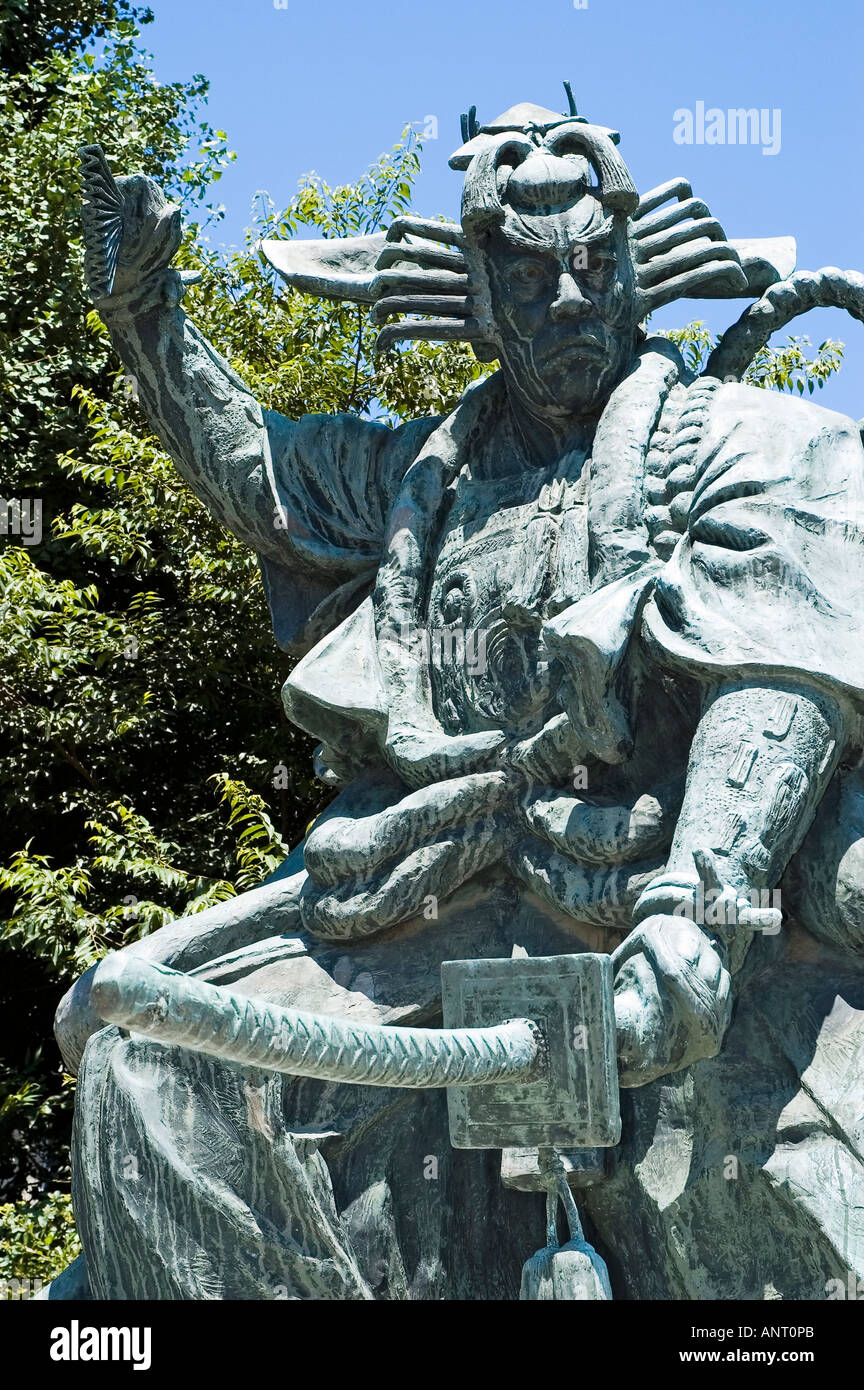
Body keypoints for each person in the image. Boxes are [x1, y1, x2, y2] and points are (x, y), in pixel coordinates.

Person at [55, 97, 864, 1299]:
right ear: (478, 297)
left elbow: (778, 676)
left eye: (594, 266)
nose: (571, 299)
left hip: (670, 900)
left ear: (638, 265)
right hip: (429, 894)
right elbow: (266, 476)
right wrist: (147, 315)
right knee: (152, 1069)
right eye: (531, 279)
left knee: (791, 1209)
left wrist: (692, 931)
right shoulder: (419, 483)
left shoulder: (756, 441)